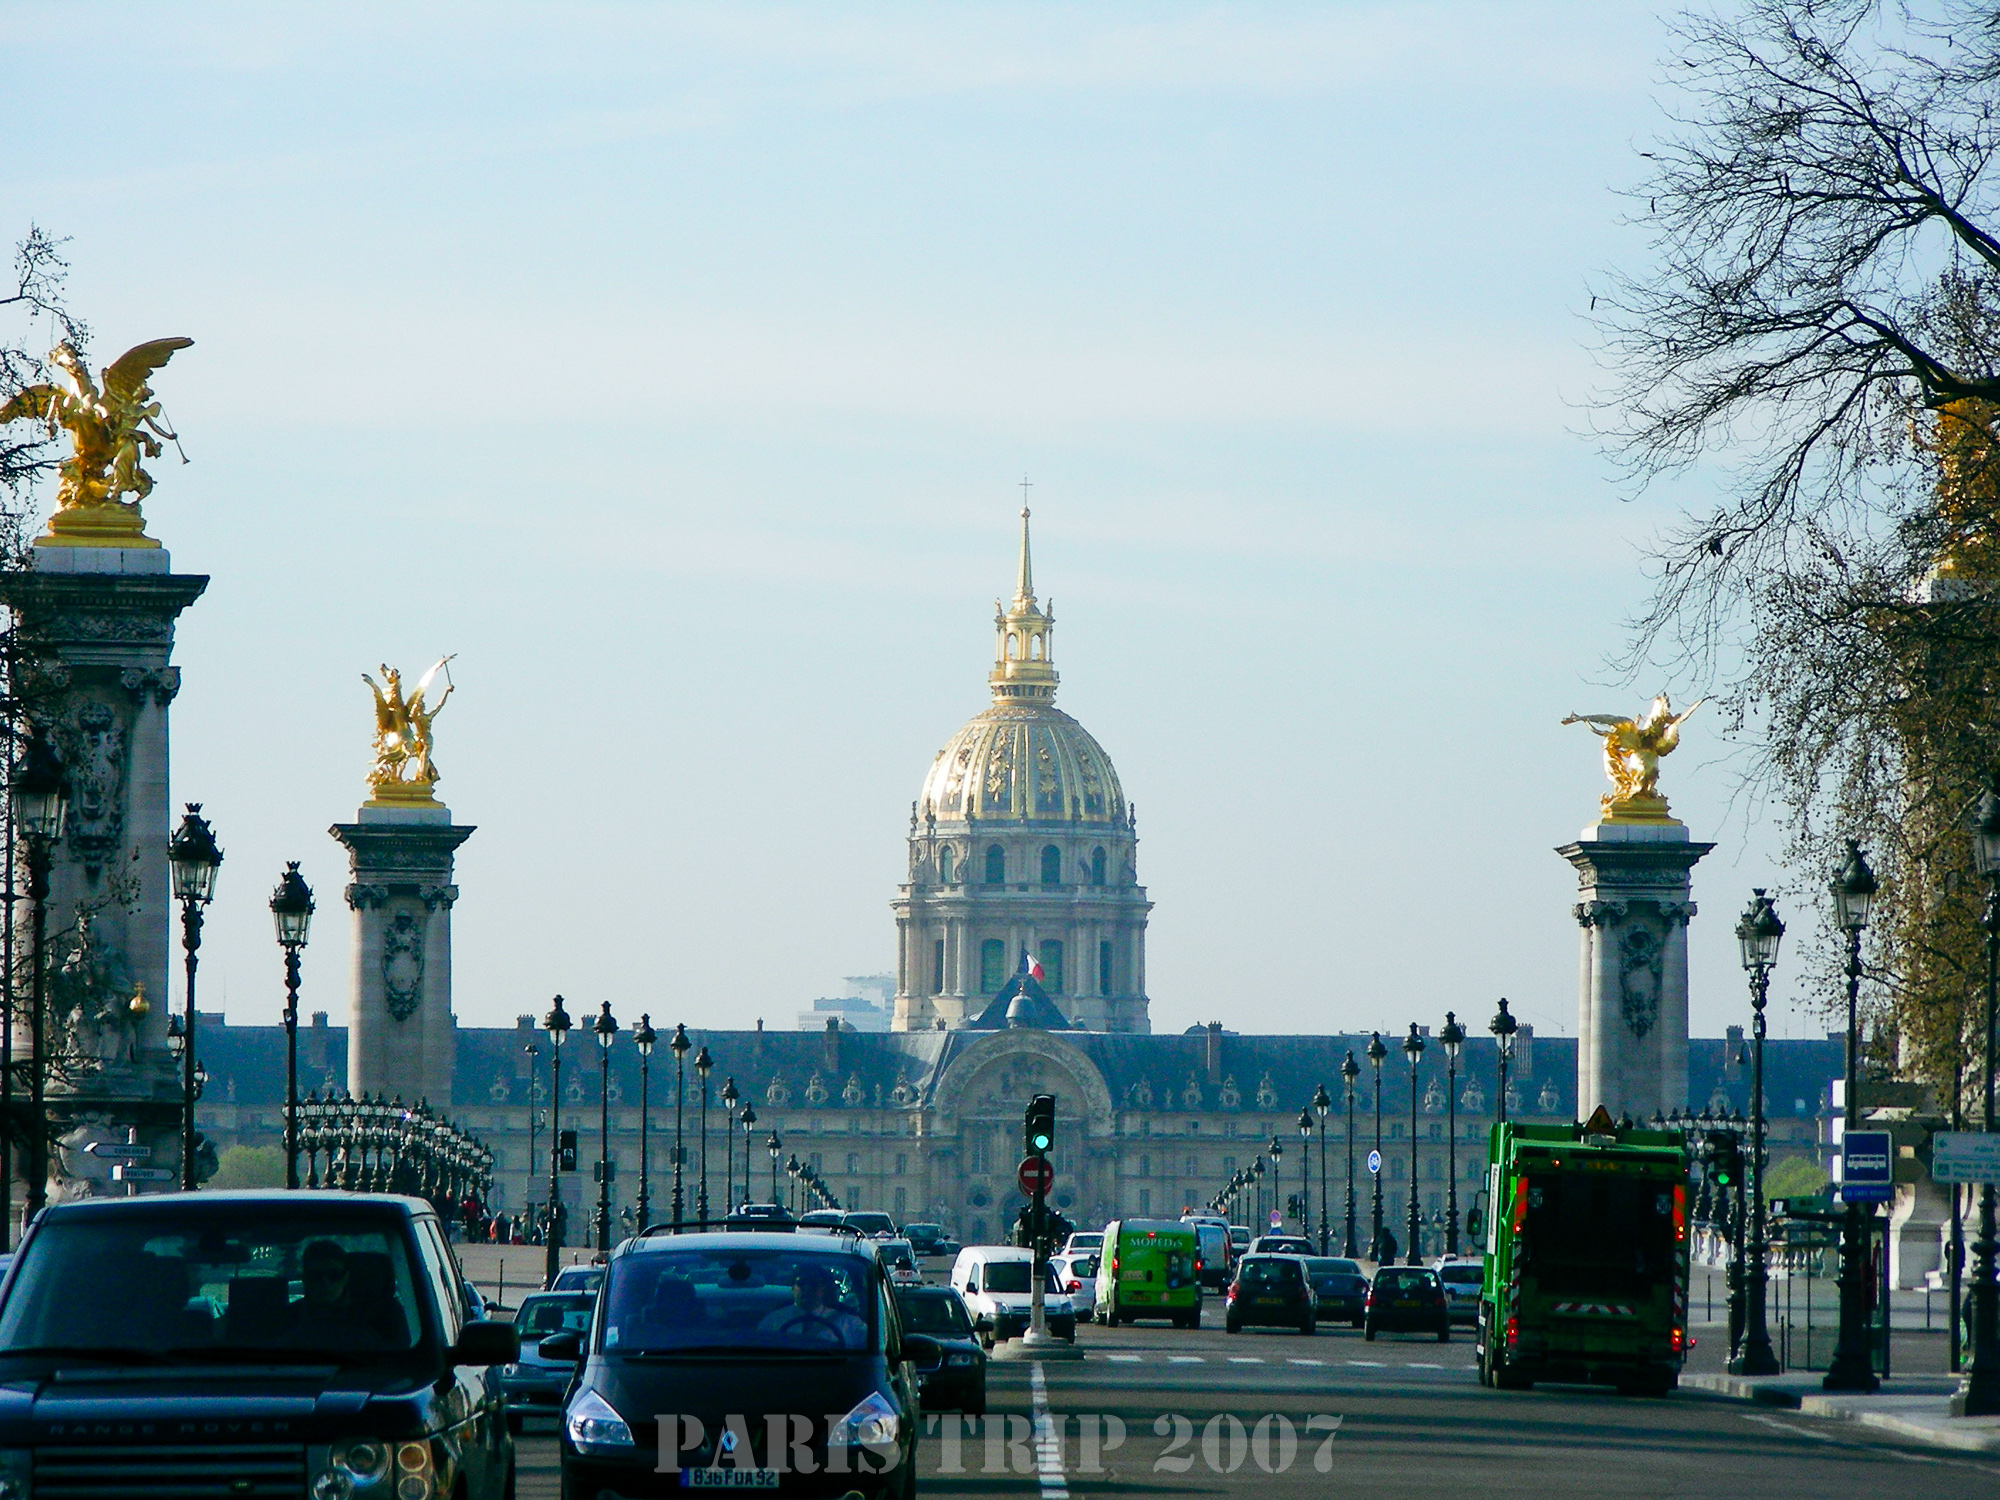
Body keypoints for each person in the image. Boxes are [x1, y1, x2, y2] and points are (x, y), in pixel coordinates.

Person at [757, 1264, 866, 1347]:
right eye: (802, 1283)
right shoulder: (773, 1320)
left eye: (814, 1283)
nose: (808, 1288)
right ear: (792, 1287)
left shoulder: (849, 1322)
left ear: (824, 1288)